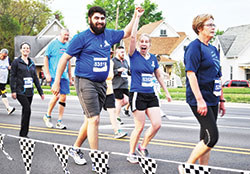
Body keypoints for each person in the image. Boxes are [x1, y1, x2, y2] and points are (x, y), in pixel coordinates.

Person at [51, 6, 142, 167]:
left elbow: (127, 33)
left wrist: (135, 15)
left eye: (102, 18)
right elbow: (64, 59)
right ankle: (97, 161)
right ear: (90, 20)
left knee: (90, 119)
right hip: (85, 82)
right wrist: (57, 81)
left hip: (101, 83)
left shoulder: (108, 35)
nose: (100, 21)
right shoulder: (81, 38)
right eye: (96, 18)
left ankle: (75, 148)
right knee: (95, 119)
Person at [178, 14, 226, 174]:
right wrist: (200, 100)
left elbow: (218, 75)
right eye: (210, 25)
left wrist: (222, 99)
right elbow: (191, 74)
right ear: (199, 28)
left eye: (214, 24)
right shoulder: (194, 47)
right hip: (199, 98)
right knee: (212, 137)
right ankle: (187, 166)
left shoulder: (213, 48)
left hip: (213, 98)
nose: (214, 28)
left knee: (205, 138)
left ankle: (203, 170)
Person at [126, 8, 172, 164]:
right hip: (137, 94)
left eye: (146, 42)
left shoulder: (153, 59)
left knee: (157, 124)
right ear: (139, 44)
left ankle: (142, 147)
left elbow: (158, 75)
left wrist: (167, 92)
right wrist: (137, 17)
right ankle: (131, 153)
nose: (144, 44)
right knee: (139, 127)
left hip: (151, 95)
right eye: (142, 42)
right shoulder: (133, 55)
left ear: (150, 45)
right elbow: (132, 37)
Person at [10, 42, 44, 138]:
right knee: (27, 110)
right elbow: (12, 76)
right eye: (24, 48)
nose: (26, 49)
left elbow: (35, 79)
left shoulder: (32, 63)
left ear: (29, 50)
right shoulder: (16, 62)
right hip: (20, 91)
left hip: (30, 92)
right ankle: (23, 134)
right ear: (21, 50)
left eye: (27, 48)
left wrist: (40, 92)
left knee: (26, 112)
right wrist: (13, 90)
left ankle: (24, 133)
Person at [43, 28, 72, 129]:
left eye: (68, 35)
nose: (67, 37)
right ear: (60, 34)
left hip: (64, 76)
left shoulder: (68, 46)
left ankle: (59, 121)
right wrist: (47, 73)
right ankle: (47, 116)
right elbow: (46, 58)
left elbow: (68, 62)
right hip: (54, 75)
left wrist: (70, 76)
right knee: (56, 96)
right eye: (65, 35)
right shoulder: (53, 44)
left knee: (63, 97)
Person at [103, 50, 127, 139]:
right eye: (108, 53)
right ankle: (88, 131)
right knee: (93, 116)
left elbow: (110, 77)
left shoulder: (111, 62)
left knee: (112, 111)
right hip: (99, 90)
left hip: (109, 90)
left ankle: (117, 131)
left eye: (110, 53)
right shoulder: (99, 61)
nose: (109, 55)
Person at [112, 46, 131, 125]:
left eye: (124, 52)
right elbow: (110, 72)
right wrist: (117, 71)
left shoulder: (125, 61)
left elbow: (129, 71)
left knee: (130, 99)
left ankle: (117, 109)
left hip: (125, 84)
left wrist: (130, 71)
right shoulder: (113, 61)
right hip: (117, 85)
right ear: (117, 52)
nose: (123, 54)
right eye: (122, 52)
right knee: (119, 101)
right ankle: (117, 118)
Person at [0, 49, 15, 115]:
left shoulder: (7, 59)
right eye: (3, 56)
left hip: (4, 80)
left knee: (2, 93)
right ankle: (8, 108)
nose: (4, 58)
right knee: (3, 92)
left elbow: (10, 66)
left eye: (5, 56)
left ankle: (9, 108)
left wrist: (10, 67)